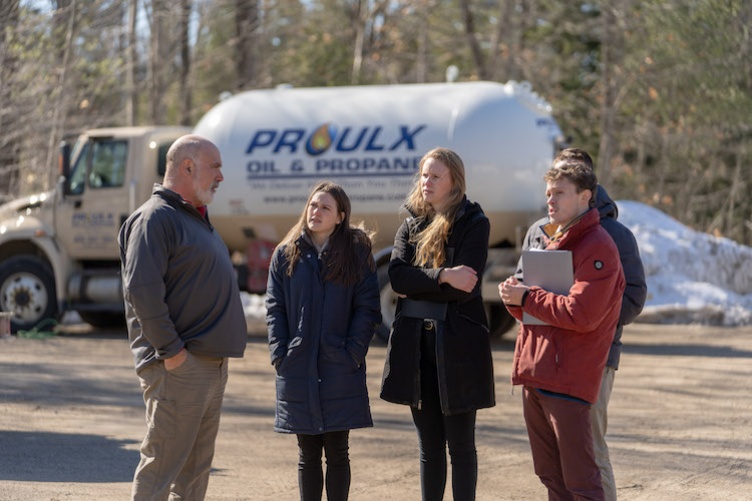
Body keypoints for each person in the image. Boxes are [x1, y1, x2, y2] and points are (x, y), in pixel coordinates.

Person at [118, 134, 248, 500]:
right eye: (216, 167)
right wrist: (173, 354)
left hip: (207, 366)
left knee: (193, 474)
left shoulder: (194, 218)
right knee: (161, 469)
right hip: (178, 368)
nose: (221, 176)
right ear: (187, 167)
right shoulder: (155, 218)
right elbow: (142, 291)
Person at [515, 148, 647, 500]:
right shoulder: (539, 231)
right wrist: (526, 300)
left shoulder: (611, 237)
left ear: (586, 187)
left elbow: (629, 299)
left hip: (593, 357)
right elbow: (525, 288)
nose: (552, 196)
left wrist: (590, 325)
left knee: (588, 457)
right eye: (550, 186)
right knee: (553, 468)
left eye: (562, 186)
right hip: (545, 361)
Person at [380, 147, 495, 501]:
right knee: (429, 447)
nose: (426, 182)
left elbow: (465, 289)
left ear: (454, 181)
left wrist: (424, 285)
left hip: (458, 350)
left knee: (460, 446)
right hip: (415, 350)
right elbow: (397, 278)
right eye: (424, 175)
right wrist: (444, 274)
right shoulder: (410, 224)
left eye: (435, 176)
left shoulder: (474, 223)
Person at [265, 181, 381, 501]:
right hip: (298, 365)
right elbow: (275, 308)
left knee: (338, 452)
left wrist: (353, 352)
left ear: (340, 216)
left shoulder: (355, 253)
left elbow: (368, 307)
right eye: (313, 205)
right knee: (307, 455)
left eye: (325, 207)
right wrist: (281, 353)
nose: (316, 212)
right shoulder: (287, 254)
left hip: (338, 366)